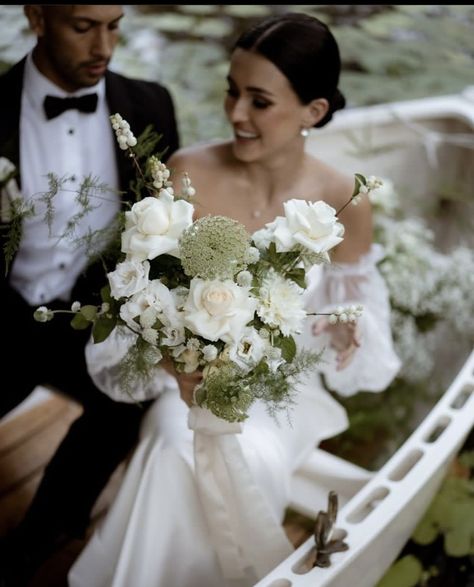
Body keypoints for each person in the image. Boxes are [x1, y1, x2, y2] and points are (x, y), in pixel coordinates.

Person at [68, 12, 401, 587]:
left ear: (313, 111)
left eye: (259, 100)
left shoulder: (344, 199)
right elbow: (137, 301)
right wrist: (171, 361)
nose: (236, 113)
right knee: (178, 444)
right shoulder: (186, 172)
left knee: (248, 456)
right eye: (231, 91)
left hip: (280, 392)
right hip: (187, 386)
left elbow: (358, 313)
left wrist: (349, 332)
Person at [0, 5, 179, 585]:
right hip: (2, 320)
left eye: (115, 24)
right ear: (37, 18)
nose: (105, 45)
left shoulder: (151, 105)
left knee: (130, 396)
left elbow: (163, 224)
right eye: (84, 26)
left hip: (92, 315)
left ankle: (40, 537)